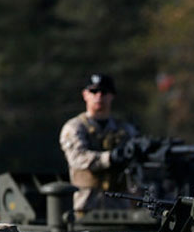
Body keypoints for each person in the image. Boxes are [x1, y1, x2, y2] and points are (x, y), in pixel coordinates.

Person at [59, 73, 141, 213]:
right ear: (85, 94)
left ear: (112, 95)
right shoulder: (75, 127)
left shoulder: (125, 130)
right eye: (94, 91)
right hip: (85, 207)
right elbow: (77, 158)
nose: (99, 96)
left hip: (119, 209)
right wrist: (110, 158)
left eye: (104, 92)